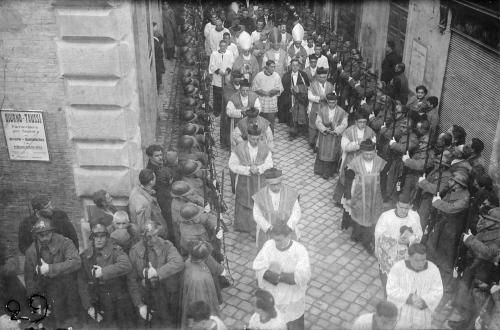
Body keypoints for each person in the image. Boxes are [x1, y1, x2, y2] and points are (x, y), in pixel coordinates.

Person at [447, 207, 500, 329]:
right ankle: (465, 322)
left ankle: (470, 326)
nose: (485, 221)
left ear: (497, 223)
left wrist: (470, 240)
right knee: (468, 296)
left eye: (489, 219)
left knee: (477, 301)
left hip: (485, 272)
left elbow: (488, 252)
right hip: (474, 267)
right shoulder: (487, 229)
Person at [24, 217, 82, 328]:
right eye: (41, 235)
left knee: (72, 321)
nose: (45, 237)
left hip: (68, 288)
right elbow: (29, 279)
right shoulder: (31, 251)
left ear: (52, 232)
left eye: (48, 234)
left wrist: (50, 268)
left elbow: (76, 262)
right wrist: (36, 303)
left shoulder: (65, 242)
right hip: (47, 292)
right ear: (36, 235)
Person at [253, 223, 311, 330]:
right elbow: (259, 266)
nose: (276, 243)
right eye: (275, 239)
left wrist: (278, 277)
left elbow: (302, 276)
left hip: (291, 298)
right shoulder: (269, 245)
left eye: (279, 240)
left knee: (293, 324)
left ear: (289, 236)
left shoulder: (299, 250)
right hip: (273, 296)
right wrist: (272, 275)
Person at [77, 222, 135, 328]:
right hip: (98, 297)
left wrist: (103, 272)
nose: (99, 239)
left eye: (102, 236)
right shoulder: (85, 255)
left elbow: (126, 265)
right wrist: (88, 306)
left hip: (117, 295)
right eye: (96, 236)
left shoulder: (115, 250)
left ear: (106, 237)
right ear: (92, 238)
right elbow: (82, 283)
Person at [127, 220, 184, 328]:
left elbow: (178, 263)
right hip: (146, 296)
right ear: (141, 236)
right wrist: (139, 304)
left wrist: (156, 273)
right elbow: (131, 280)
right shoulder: (134, 252)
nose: (153, 239)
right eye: (149, 237)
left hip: (166, 294)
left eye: (155, 235)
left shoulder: (166, 245)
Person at [426, 171, 470, 290]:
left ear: (458, 184)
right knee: (434, 248)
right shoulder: (452, 190)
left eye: (452, 180)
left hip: (452, 230)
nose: (449, 182)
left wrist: (437, 202)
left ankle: (445, 285)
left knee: (447, 257)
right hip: (442, 224)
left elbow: (451, 208)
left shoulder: (465, 197)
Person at [343, 139, 386, 254]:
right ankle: (357, 234)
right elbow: (348, 179)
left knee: (371, 217)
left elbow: (384, 180)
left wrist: (384, 195)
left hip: (374, 195)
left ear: (375, 152)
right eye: (366, 154)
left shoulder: (379, 162)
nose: (369, 156)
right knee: (359, 214)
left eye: (371, 153)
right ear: (362, 152)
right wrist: (348, 196)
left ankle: (367, 241)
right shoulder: (355, 163)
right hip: (359, 194)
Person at [374, 194, 423, 297]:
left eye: (407, 208)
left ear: (411, 206)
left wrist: (409, 240)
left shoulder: (414, 217)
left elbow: (419, 235)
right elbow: (379, 235)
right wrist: (396, 240)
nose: (404, 211)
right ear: (396, 204)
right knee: (387, 284)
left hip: (405, 257)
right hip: (388, 257)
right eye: (401, 207)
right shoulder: (386, 217)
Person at [228, 124, 273, 234]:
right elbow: (232, 165)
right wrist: (247, 170)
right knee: (244, 202)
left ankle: (257, 229)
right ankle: (244, 227)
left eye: (257, 139)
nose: (255, 141)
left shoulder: (265, 147)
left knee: (259, 203)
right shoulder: (239, 148)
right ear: (248, 136)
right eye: (253, 138)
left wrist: (259, 169)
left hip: (260, 181)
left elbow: (270, 163)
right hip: (244, 181)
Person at [386, 243, 443, 329]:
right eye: (417, 260)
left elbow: (438, 290)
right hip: (402, 311)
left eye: (423, 260)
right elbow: (391, 288)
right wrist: (409, 298)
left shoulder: (433, 270)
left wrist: (425, 301)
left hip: (421, 313)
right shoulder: (398, 268)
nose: (421, 264)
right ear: (409, 257)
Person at [333, 111, 376, 205]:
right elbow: (345, 146)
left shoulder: (370, 131)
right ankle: (342, 201)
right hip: (350, 159)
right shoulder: (349, 131)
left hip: (364, 160)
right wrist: (357, 145)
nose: (362, 124)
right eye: (360, 122)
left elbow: (373, 145)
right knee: (346, 178)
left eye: (364, 122)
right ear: (356, 122)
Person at [252, 168, 301, 249]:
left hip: (288, 232)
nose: (276, 187)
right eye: (273, 185)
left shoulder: (291, 193)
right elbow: (257, 215)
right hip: (267, 234)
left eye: (278, 184)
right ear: (267, 183)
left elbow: (297, 212)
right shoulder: (260, 196)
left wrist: (288, 227)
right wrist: (268, 227)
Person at [181, 241, 224, 329]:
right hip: (201, 306)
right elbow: (200, 301)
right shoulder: (198, 279)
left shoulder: (189, 262)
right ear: (203, 259)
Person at [314, 93, 348, 179]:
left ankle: (331, 172)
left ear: (336, 101)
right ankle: (322, 171)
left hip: (335, 137)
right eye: (329, 102)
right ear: (327, 102)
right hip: (324, 136)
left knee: (333, 153)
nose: (331, 104)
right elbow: (318, 122)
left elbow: (344, 124)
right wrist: (324, 129)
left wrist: (337, 131)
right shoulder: (322, 110)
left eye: (333, 102)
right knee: (323, 152)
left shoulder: (341, 111)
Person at [146, 144, 176, 243]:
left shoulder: (160, 163)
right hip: (162, 201)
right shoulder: (151, 171)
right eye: (157, 156)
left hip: (167, 194)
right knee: (169, 223)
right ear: (150, 157)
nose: (160, 157)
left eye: (161, 155)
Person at [128, 169, 168, 239]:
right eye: (155, 177)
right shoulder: (145, 202)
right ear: (151, 182)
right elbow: (144, 225)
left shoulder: (135, 190)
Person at [227, 80, 262, 148]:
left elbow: (259, 108)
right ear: (240, 89)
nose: (245, 92)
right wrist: (241, 112)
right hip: (238, 122)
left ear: (249, 90)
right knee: (237, 138)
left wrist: (253, 112)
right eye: (243, 90)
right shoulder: (234, 97)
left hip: (251, 122)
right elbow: (228, 111)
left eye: (247, 90)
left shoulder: (254, 96)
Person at [307, 67, 335, 149]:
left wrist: (330, 98)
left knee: (326, 125)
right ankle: (312, 143)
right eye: (321, 77)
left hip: (327, 108)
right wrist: (320, 98)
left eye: (325, 77)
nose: (323, 79)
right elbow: (310, 96)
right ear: (317, 76)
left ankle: (322, 144)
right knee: (313, 125)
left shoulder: (330, 85)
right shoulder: (313, 84)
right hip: (315, 108)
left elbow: (334, 94)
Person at [252, 60, 284, 132]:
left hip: (271, 102)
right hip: (261, 101)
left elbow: (280, 88)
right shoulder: (259, 75)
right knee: (260, 121)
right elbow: (254, 87)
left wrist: (271, 93)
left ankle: (270, 139)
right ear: (266, 67)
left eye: (274, 67)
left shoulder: (276, 76)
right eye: (271, 67)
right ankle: (260, 138)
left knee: (271, 122)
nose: (273, 68)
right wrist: (264, 93)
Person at [280, 58, 310, 136]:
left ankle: (301, 129)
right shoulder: (286, 75)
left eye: (297, 65)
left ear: (299, 66)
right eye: (293, 65)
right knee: (291, 112)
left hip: (301, 98)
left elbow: (307, 87)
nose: (295, 67)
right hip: (290, 97)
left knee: (301, 112)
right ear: (290, 66)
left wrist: (299, 90)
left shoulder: (303, 75)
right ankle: (293, 130)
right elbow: (283, 89)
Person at [209, 39, 235, 117]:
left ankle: (225, 110)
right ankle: (216, 111)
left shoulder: (229, 53)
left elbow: (231, 63)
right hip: (217, 77)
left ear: (227, 46)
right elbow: (212, 65)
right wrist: (218, 71)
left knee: (225, 95)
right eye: (222, 46)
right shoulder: (214, 54)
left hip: (226, 77)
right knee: (217, 95)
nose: (223, 47)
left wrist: (227, 70)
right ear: (219, 46)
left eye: (225, 46)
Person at [152, 22, 165, 90]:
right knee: (158, 74)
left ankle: (159, 85)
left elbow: (161, 39)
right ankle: (158, 87)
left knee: (159, 73)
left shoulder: (157, 38)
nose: (157, 29)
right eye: (155, 28)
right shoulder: (154, 41)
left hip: (159, 60)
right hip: (157, 61)